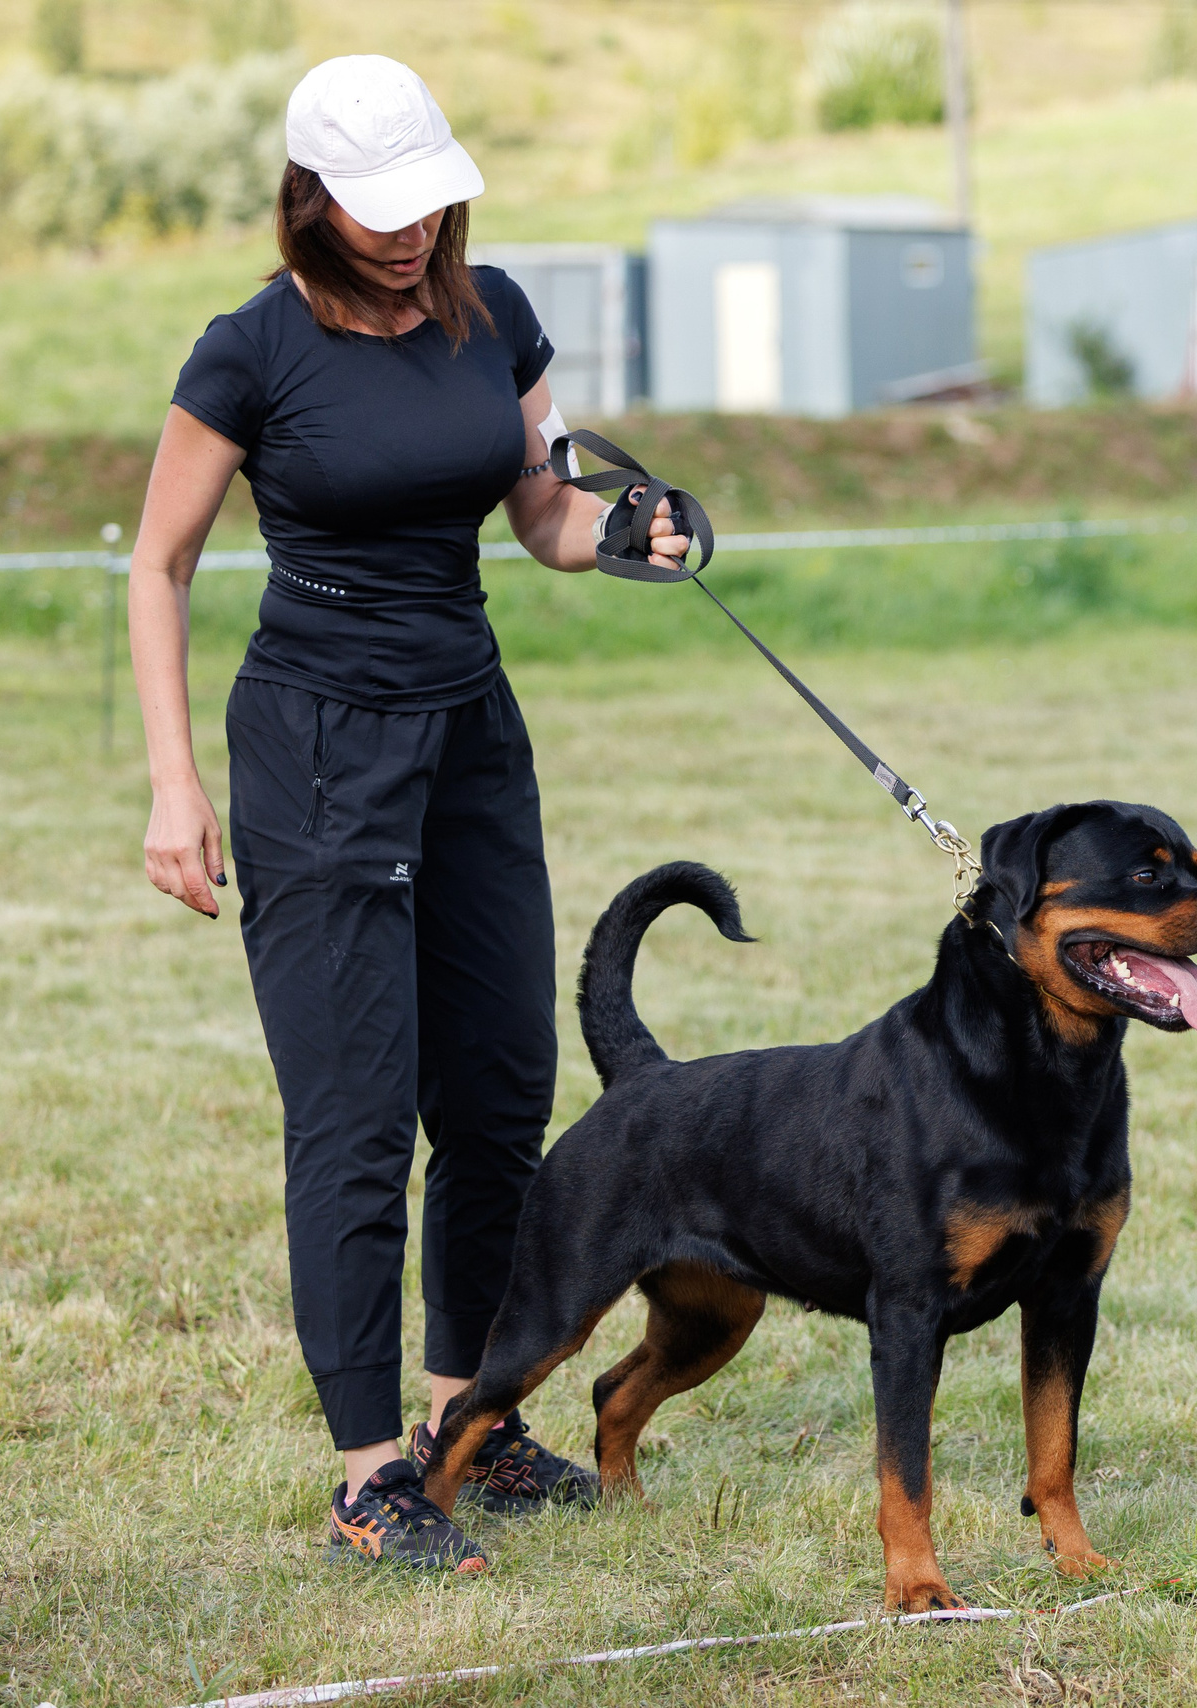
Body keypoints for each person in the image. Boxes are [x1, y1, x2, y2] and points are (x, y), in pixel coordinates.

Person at [126, 54, 688, 1573]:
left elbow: (546, 513)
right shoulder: (249, 350)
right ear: (309, 201)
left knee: (502, 1089)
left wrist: (631, 532)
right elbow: (160, 565)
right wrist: (176, 786)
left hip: (469, 734)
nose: (406, 232)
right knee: (357, 1118)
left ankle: (469, 1415)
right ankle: (371, 1467)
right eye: (377, 212)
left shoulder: (490, 311)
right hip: (313, 744)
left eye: (425, 204)